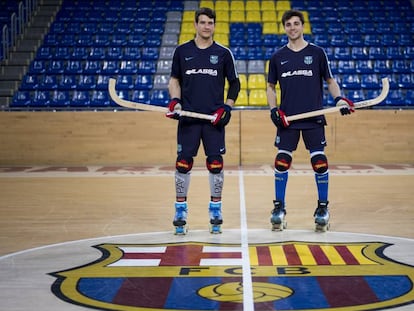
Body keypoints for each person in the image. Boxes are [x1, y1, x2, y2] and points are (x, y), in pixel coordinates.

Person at [266, 10, 354, 231]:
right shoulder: (278, 57)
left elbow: (330, 80)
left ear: (303, 26)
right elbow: (270, 87)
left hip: (313, 117)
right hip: (288, 119)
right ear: (284, 28)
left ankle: (323, 207)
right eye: (288, 24)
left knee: (319, 163)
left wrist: (339, 99)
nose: (293, 27)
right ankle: (279, 207)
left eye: (296, 23)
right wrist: (273, 109)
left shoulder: (317, 53)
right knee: (281, 162)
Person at [166, 7, 240, 234]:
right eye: (203, 22)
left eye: (210, 23)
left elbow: (234, 84)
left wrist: (227, 107)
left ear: (214, 26)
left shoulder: (223, 53)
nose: (207, 26)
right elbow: (174, 80)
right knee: (183, 163)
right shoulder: (182, 51)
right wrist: (175, 102)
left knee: (215, 165)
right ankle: (180, 209)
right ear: (195, 25)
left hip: (213, 120)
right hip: (188, 118)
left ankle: (215, 209)